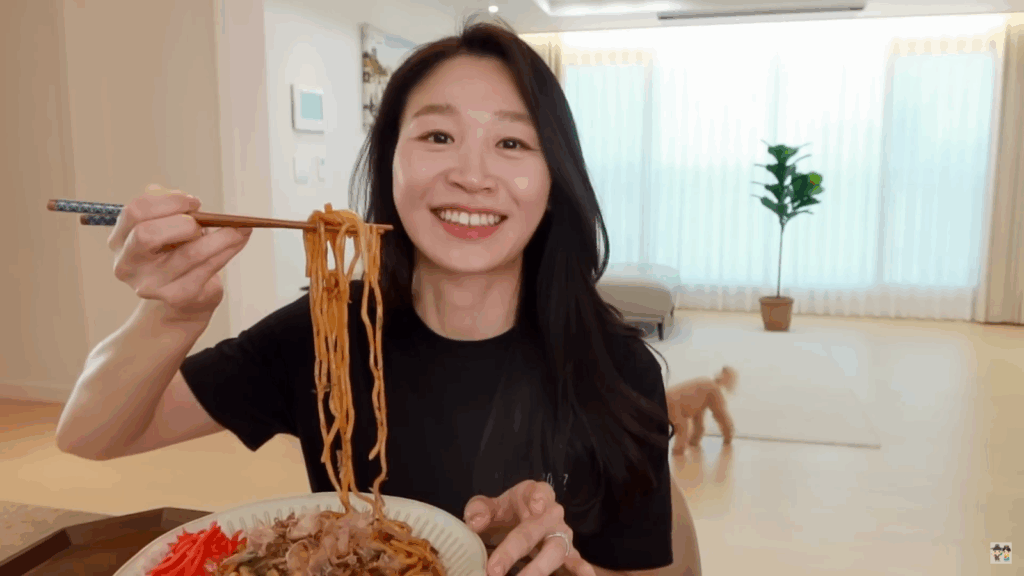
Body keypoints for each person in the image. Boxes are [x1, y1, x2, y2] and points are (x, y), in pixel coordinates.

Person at [55, 18, 701, 576]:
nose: (470, 176)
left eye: (511, 143)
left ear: (554, 179)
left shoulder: (615, 367)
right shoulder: (325, 328)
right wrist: (171, 314)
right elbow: (91, 433)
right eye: (438, 137)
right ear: (390, 163)